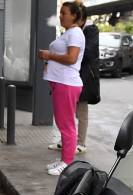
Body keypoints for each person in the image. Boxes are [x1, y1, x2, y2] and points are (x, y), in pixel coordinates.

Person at [37, 1, 85, 177]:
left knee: (66, 126)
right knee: (63, 123)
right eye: (60, 13)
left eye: (64, 13)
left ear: (74, 15)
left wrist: (49, 55)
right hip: (61, 83)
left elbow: (72, 58)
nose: (61, 16)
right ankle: (65, 159)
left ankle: (67, 163)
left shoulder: (75, 33)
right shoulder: (69, 33)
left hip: (67, 83)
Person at [48, 11, 99, 156]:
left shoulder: (89, 30)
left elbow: (86, 53)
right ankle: (66, 141)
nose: (63, 17)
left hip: (82, 77)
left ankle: (81, 143)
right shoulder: (70, 31)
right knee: (66, 113)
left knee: (81, 112)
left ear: (79, 17)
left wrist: (70, 52)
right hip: (67, 77)